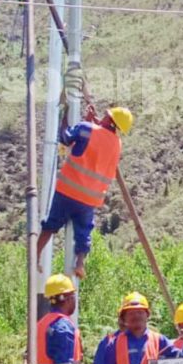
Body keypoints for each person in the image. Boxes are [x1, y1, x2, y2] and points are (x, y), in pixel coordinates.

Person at [37, 97, 134, 280]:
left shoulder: (86, 128)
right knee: (84, 233)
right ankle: (80, 263)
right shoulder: (117, 145)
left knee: (51, 225)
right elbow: (98, 142)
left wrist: (65, 117)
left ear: (109, 119)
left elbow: (65, 137)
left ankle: (35, 255)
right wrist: (91, 122)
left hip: (68, 190)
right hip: (89, 199)